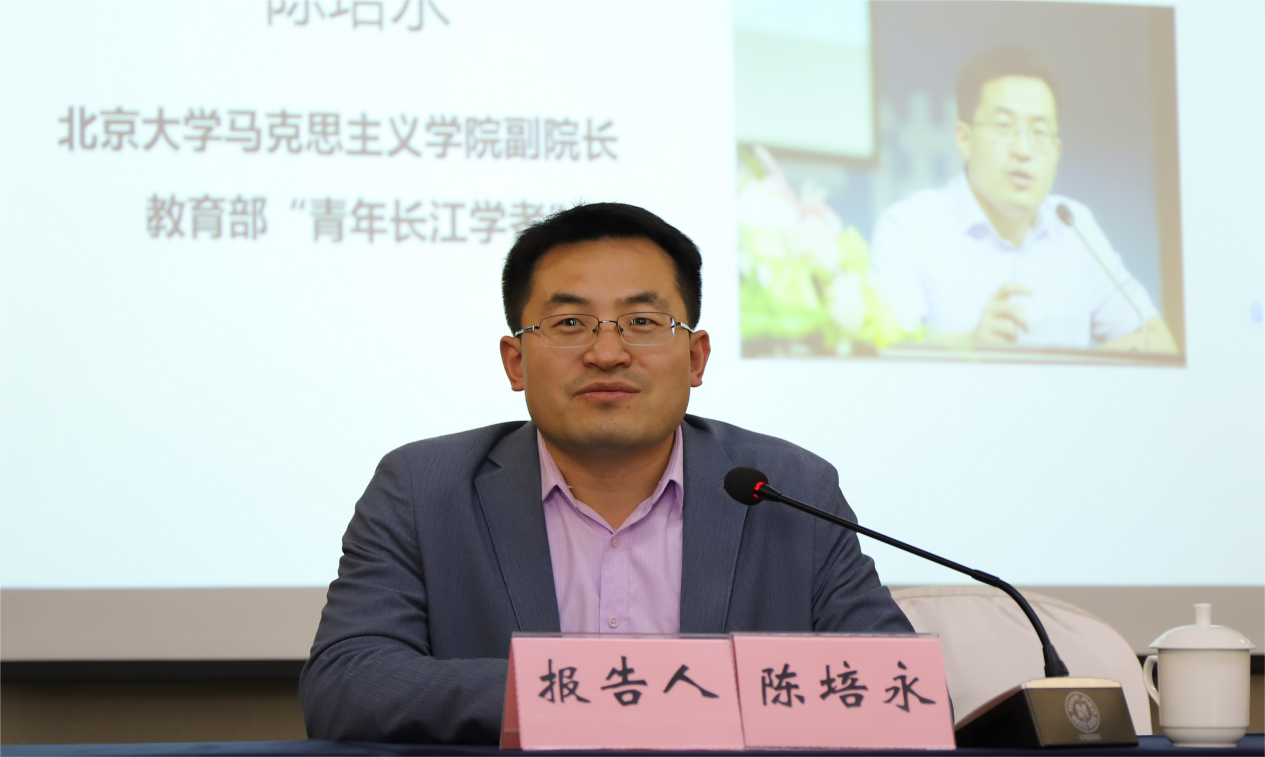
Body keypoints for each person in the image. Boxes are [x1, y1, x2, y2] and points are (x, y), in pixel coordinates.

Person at [299, 203, 912, 743]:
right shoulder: (423, 488)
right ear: (516, 362)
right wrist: (589, 694)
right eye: (570, 324)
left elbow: (893, 685)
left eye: (642, 322)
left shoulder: (790, 487)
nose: (608, 353)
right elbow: (347, 684)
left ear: (695, 358)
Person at [869, 46, 1178, 353]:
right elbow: (888, 350)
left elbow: (1158, 341)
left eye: (1040, 132)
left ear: (1056, 152)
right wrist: (970, 345)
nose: (1023, 150)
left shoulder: (1073, 226)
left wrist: (1063, 373)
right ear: (964, 138)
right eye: (1004, 126)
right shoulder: (909, 228)